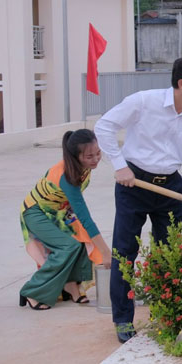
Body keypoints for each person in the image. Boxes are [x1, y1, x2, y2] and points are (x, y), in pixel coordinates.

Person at [96, 56, 182, 343]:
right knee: (125, 252)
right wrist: (119, 165)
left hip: (170, 185)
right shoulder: (145, 101)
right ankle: (122, 319)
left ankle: (165, 312)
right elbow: (104, 126)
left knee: (169, 253)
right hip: (134, 184)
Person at [18, 130, 111, 310]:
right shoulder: (67, 176)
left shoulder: (83, 167)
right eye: (89, 156)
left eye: (98, 153)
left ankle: (71, 285)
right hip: (36, 212)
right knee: (68, 246)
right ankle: (32, 290)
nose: (96, 159)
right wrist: (106, 252)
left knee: (84, 240)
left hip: (60, 211)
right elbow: (85, 217)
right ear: (76, 157)